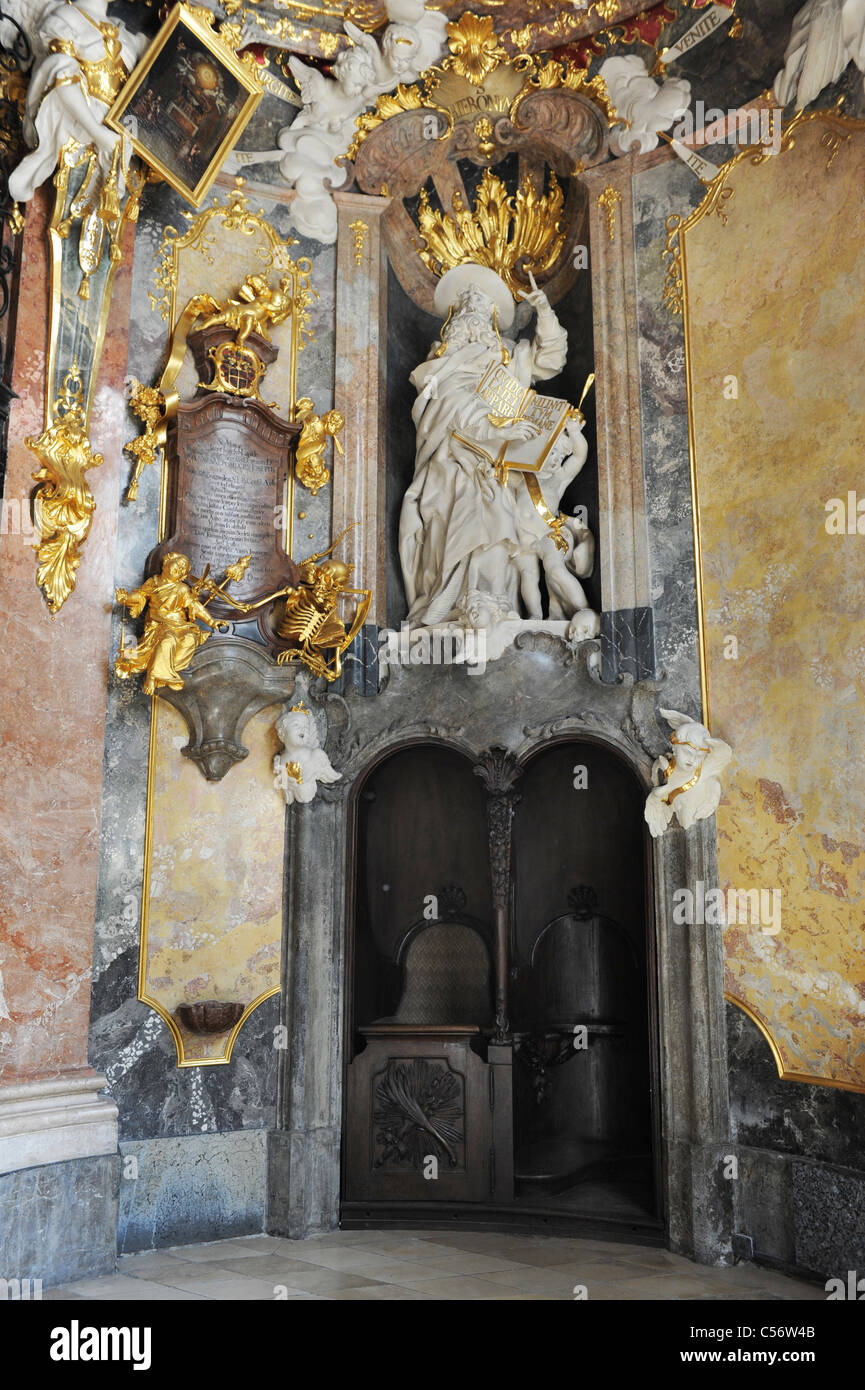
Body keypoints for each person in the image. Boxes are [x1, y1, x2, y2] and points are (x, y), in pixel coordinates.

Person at [399, 262, 570, 627]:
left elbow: (553, 359)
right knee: (471, 509)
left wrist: (543, 310)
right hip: (451, 464)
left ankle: (496, 603)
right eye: (464, 314)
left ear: (493, 322)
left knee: (500, 522)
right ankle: (459, 603)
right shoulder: (441, 366)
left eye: (479, 315)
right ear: (453, 324)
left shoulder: (511, 358)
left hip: (503, 468)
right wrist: (497, 430)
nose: (471, 322)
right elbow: (451, 410)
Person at [115, 553, 228, 696]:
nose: (179, 569)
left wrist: (211, 621)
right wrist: (126, 598)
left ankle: (166, 673)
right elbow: (141, 596)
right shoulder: (154, 582)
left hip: (180, 624)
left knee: (190, 640)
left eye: (183, 570)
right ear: (167, 562)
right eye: (178, 564)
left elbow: (194, 605)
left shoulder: (181, 589)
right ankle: (153, 676)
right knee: (168, 639)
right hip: (160, 624)